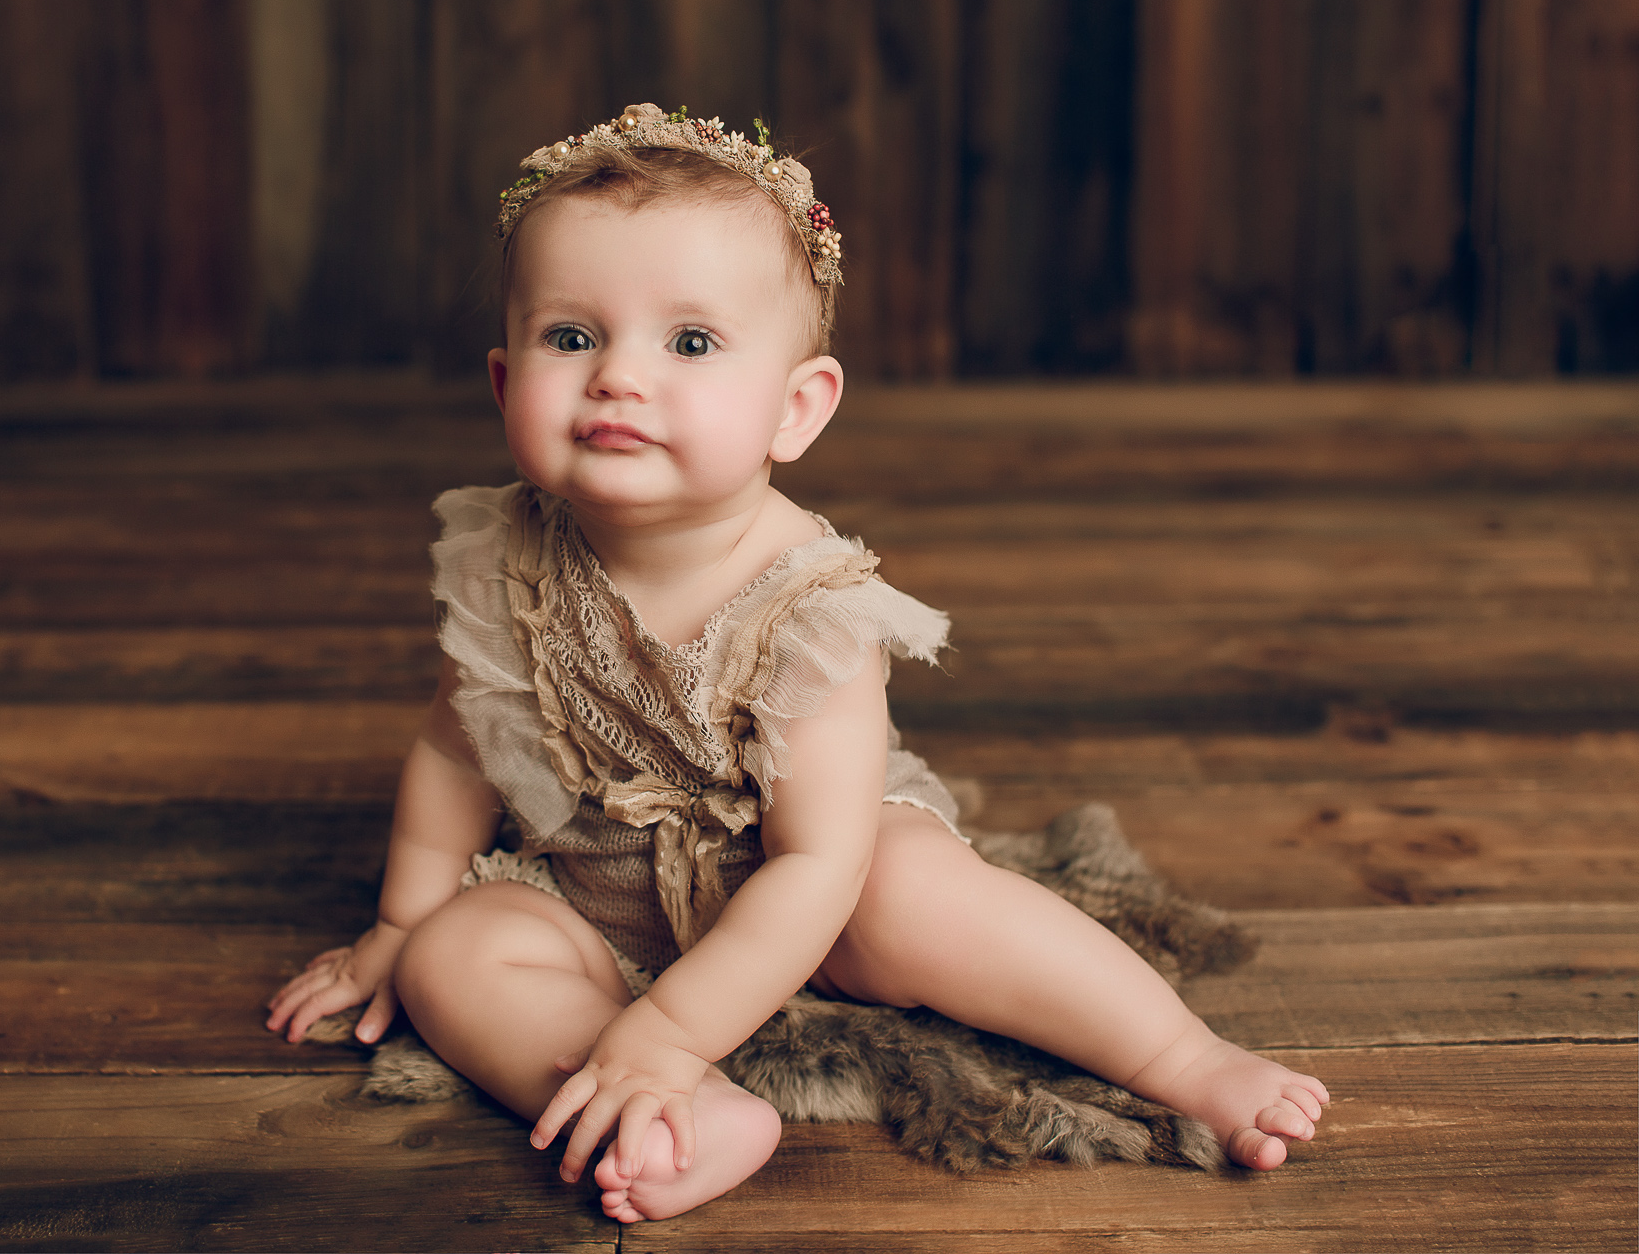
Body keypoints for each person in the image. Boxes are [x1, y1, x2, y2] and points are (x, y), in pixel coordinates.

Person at [267, 104, 1327, 1224]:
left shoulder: (807, 605)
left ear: (795, 408)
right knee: (456, 960)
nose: (617, 377)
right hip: (594, 881)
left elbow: (814, 861)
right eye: (570, 337)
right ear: (501, 382)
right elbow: (454, 742)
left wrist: (670, 1024)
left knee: (910, 896)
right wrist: (399, 919)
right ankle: (660, 1111)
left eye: (688, 343)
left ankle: (1180, 1055)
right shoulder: (504, 557)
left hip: (808, 872)